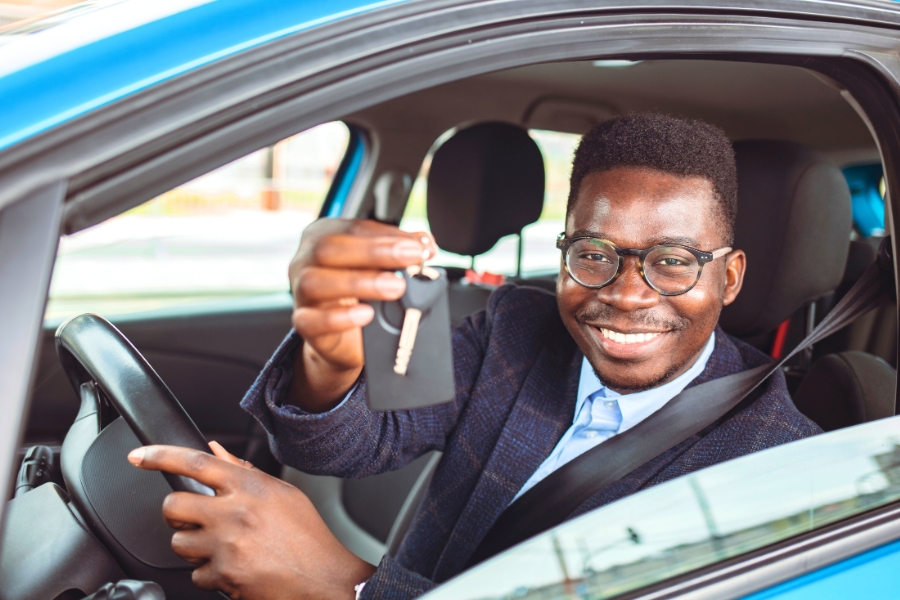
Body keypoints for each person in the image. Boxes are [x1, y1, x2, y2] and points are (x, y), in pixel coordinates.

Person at [128, 114, 822, 599]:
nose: (628, 293)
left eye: (672, 262)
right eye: (594, 255)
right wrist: (331, 360)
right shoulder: (515, 327)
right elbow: (350, 445)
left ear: (728, 277)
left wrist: (350, 586)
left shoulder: (784, 465)